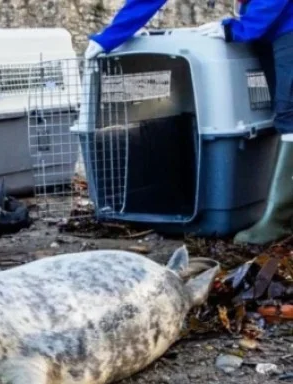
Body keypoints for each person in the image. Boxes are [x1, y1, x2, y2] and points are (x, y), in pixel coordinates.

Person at [84, 0, 293, 245]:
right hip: (272, 26)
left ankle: (279, 221)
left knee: (289, 114)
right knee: (283, 113)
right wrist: (111, 36)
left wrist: (241, 28)